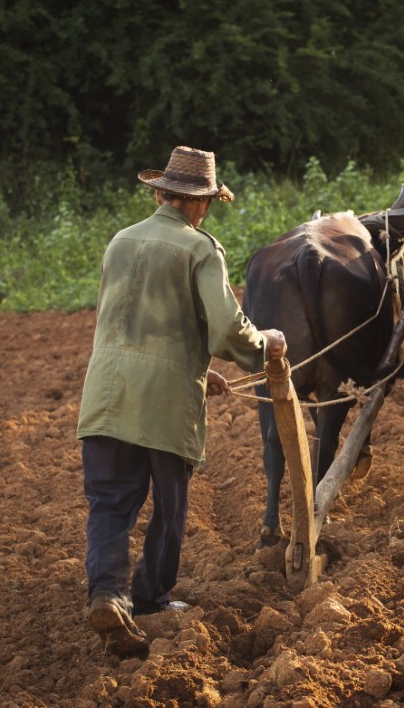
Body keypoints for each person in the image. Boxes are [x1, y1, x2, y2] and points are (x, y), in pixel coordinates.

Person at [77, 145, 277, 657]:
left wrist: (197, 367)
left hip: (104, 394)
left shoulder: (120, 242)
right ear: (200, 203)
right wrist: (264, 347)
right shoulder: (199, 249)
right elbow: (228, 326)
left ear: (160, 193)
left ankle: (107, 593)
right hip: (164, 407)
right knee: (169, 505)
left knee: (109, 505)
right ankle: (149, 598)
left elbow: (128, 321)